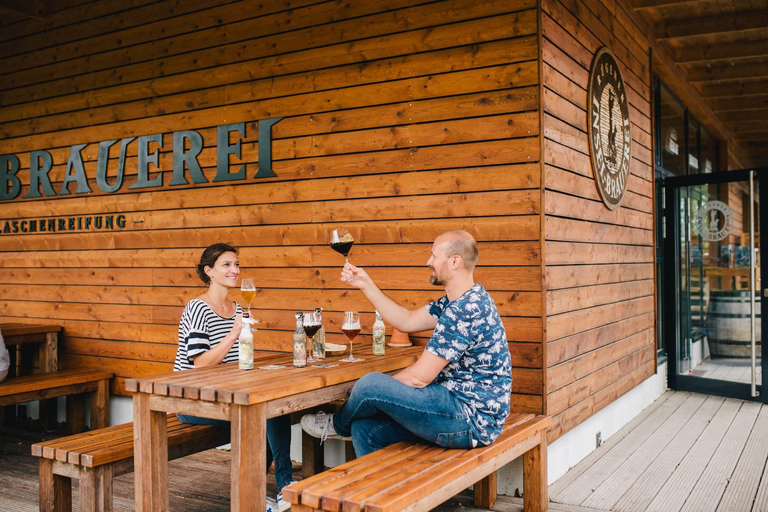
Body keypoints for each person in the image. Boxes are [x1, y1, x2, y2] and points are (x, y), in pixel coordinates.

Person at [301, 230, 512, 456]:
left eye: (433, 256)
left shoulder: (465, 310)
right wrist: (366, 284)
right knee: (364, 428)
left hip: (470, 419)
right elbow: (407, 320)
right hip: (454, 406)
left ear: (454, 261)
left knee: (370, 384)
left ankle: (337, 425)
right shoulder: (459, 301)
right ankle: (382, 491)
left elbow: (419, 378)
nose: (428, 262)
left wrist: (375, 392)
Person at [173, 243, 294, 512]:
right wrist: (233, 334)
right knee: (263, 414)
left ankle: (272, 490)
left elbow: (235, 362)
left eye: (236, 264)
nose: (235, 270)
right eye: (227, 265)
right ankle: (271, 489)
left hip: (224, 394)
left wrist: (247, 340)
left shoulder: (237, 308)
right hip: (191, 399)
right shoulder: (197, 308)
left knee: (272, 404)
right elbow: (201, 364)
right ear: (209, 271)